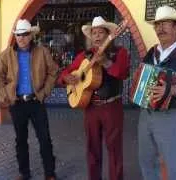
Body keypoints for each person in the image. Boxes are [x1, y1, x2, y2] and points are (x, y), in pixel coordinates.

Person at [58, 16, 130, 180]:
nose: (96, 36)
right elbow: (66, 72)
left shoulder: (120, 52)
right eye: (94, 33)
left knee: (114, 150)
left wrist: (106, 62)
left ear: (109, 35)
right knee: (92, 150)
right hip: (90, 107)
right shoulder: (84, 56)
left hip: (111, 106)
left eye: (100, 32)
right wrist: (66, 78)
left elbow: (122, 73)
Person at [0, 19, 58, 180]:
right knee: (21, 140)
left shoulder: (42, 52)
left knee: (44, 139)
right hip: (17, 103)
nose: (21, 38)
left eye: (24, 34)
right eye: (18, 35)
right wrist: (6, 94)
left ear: (31, 36)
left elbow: (53, 72)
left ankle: (50, 174)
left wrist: (44, 93)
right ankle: (24, 173)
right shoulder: (7, 54)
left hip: (36, 102)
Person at [137, 6, 176, 180]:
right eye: (157, 24)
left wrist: (174, 89)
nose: (160, 28)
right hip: (146, 115)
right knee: (147, 162)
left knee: (173, 165)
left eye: (165, 23)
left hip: (171, 116)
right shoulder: (152, 52)